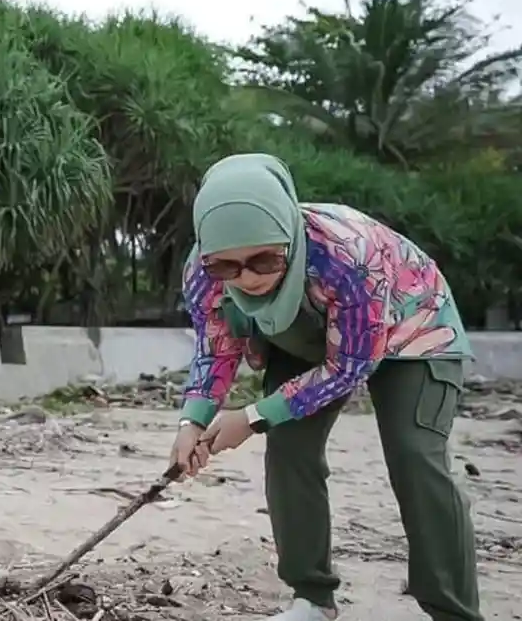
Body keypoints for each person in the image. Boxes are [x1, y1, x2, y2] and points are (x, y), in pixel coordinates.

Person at [170, 154, 480, 621]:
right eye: (227, 267)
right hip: (304, 337)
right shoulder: (202, 271)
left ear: (290, 240)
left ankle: (453, 610)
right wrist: (191, 421)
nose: (248, 279)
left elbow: (350, 366)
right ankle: (312, 598)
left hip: (414, 331)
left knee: (416, 458)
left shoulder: (348, 253)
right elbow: (216, 348)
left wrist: (253, 417)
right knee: (290, 450)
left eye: (264, 259)